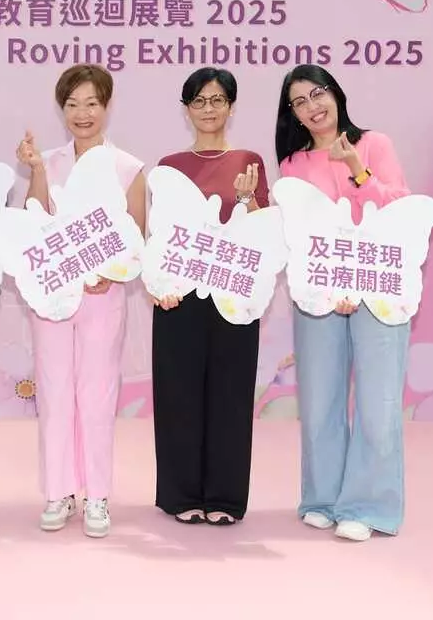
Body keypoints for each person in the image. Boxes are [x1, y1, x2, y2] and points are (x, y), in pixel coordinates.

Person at [274, 63, 411, 542]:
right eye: (300, 102)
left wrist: (357, 169)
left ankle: (368, 507)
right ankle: (323, 498)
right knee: (319, 402)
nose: (312, 107)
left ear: (335, 93)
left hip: (377, 289)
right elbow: (297, 235)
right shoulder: (292, 165)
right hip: (320, 295)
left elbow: (399, 208)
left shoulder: (373, 144)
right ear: (292, 114)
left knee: (377, 404)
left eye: (318, 93)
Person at [15, 63, 146, 539]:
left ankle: (97, 496)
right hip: (53, 297)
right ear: (62, 109)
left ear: (106, 106)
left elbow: (136, 237)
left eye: (91, 103)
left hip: (103, 297)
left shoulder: (128, 167)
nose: (82, 113)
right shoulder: (47, 162)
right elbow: (33, 221)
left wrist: (107, 274)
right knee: (54, 392)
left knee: (96, 394)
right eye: (72, 104)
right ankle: (58, 492)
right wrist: (34, 170)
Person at [150, 67, 268, 527]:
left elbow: (264, 235)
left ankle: (225, 497)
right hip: (179, 299)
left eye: (217, 100)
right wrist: (159, 286)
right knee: (178, 395)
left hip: (233, 296)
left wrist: (248, 201)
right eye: (198, 101)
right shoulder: (168, 166)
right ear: (186, 110)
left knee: (231, 396)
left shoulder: (249, 161)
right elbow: (160, 235)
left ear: (231, 107)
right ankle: (181, 495)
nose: (208, 109)